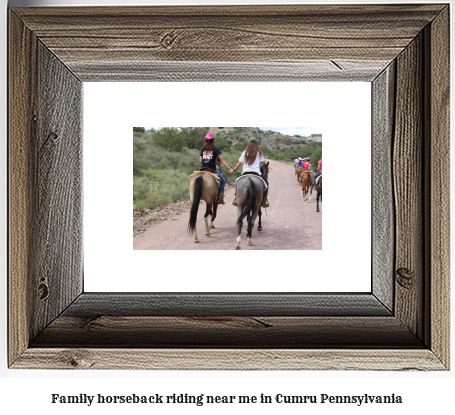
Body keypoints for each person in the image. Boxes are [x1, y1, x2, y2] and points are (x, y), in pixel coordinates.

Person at [231, 139, 269, 208]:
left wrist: (233, 169)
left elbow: (239, 163)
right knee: (266, 184)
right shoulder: (260, 153)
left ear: (249, 144)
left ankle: (236, 198)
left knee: (237, 183)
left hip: (245, 173)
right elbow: (259, 164)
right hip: (256, 173)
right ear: (256, 144)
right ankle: (264, 200)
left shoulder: (244, 152)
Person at [200, 133, 233, 204]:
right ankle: (220, 198)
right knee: (223, 181)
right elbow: (222, 159)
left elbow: (200, 161)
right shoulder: (215, 149)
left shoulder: (202, 150)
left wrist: (206, 159)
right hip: (212, 170)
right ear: (213, 141)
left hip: (203, 169)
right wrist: (229, 168)